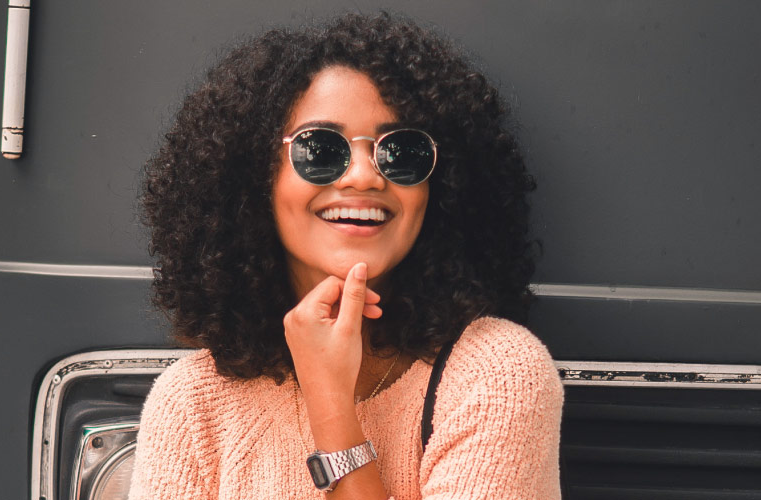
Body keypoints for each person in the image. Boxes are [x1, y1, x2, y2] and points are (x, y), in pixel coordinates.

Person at [129, 12, 563, 500]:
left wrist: (331, 405)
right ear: (253, 177)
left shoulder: (496, 373)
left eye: (399, 152)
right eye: (320, 149)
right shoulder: (190, 405)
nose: (364, 176)